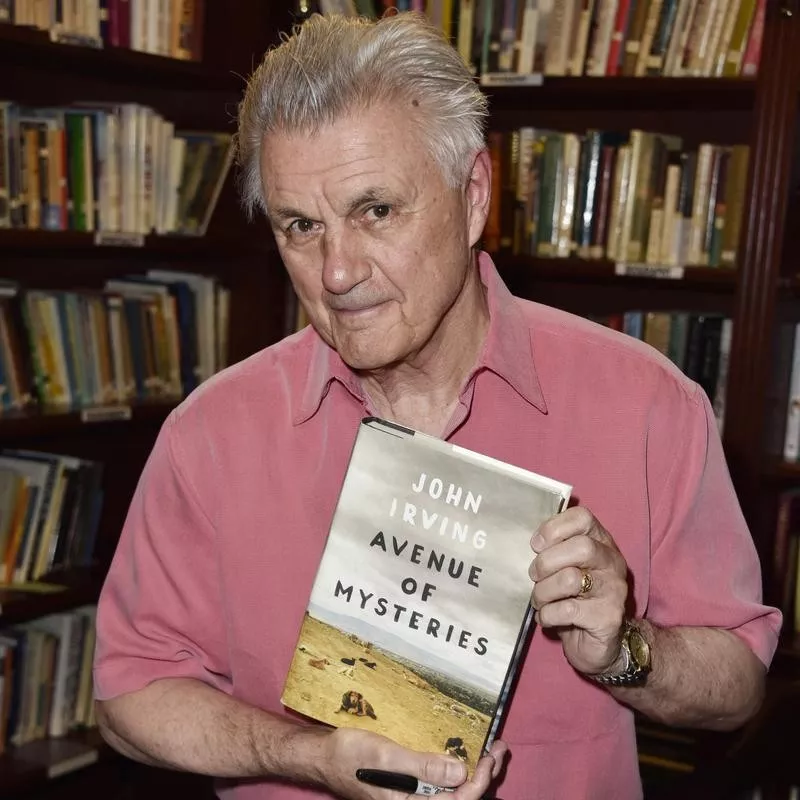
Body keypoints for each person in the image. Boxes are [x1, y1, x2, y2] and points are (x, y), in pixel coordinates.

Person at [93, 11, 782, 800]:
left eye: (375, 210)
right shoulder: (211, 435)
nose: (338, 271)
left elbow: (739, 692)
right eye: (300, 226)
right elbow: (127, 697)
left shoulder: (647, 405)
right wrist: (304, 757)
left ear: (474, 196)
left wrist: (625, 650)